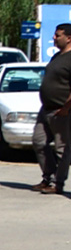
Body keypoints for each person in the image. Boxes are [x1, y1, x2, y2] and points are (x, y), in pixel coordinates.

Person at [33, 22, 71, 194]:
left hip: (61, 110)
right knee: (39, 141)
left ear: (69, 38)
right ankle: (48, 176)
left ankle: (58, 183)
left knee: (61, 149)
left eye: (58, 35)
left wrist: (66, 108)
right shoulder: (57, 57)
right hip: (46, 109)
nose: (54, 38)